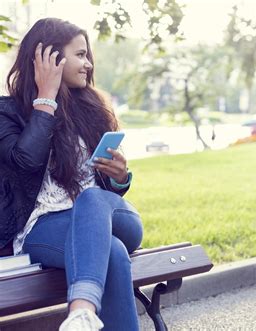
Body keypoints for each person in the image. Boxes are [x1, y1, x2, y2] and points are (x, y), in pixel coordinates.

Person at [0, 18, 143, 330]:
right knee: (113, 253)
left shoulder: (92, 108)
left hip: (110, 215)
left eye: (87, 55)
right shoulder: (7, 113)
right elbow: (25, 161)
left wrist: (119, 177)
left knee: (92, 198)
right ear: (50, 58)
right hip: (43, 228)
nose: (88, 64)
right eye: (80, 55)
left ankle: (80, 309)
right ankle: (84, 315)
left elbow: (105, 188)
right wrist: (46, 99)